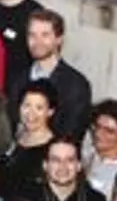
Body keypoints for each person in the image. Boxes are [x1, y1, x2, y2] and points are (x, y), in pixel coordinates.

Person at [8, 9, 92, 143]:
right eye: (32, 35)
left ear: (59, 39)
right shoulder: (18, 78)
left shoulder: (76, 85)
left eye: (45, 35)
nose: (37, 42)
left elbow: (72, 135)